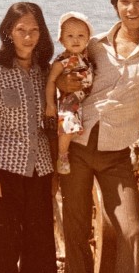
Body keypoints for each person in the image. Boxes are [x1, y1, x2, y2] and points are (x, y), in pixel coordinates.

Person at [58, 0, 139, 273]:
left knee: (132, 231)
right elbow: (64, 74)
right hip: (79, 146)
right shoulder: (94, 44)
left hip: (118, 153)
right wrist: (63, 82)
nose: (131, 9)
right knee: (75, 226)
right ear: (115, 5)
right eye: (124, 1)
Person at [0, 2, 57, 273]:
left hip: (41, 169)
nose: (28, 36)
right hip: (4, 170)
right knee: (2, 246)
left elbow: (50, 126)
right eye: (21, 29)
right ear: (8, 32)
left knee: (41, 246)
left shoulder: (46, 72)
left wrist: (55, 174)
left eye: (34, 30)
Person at [45, 11, 95, 175]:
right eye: (70, 36)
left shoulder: (87, 55)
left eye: (81, 35)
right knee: (67, 124)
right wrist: (51, 104)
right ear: (61, 39)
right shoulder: (62, 61)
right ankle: (63, 155)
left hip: (86, 97)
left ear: (88, 38)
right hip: (70, 99)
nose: (76, 40)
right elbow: (51, 81)